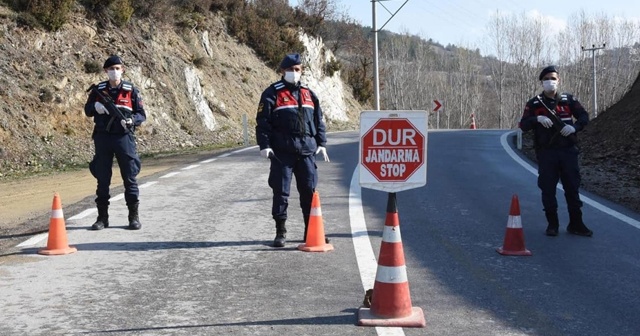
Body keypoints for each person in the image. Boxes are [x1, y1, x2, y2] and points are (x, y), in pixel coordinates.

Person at [255, 53, 330, 247]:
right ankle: (280, 231)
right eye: (290, 70)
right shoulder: (272, 93)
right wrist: (264, 145)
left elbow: (318, 120)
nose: (294, 73)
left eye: (297, 70)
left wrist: (322, 143)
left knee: (309, 191)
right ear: (282, 71)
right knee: (281, 192)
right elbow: (263, 122)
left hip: (307, 151)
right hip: (282, 153)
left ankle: (311, 231)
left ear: (302, 71)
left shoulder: (309, 93)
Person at [519, 65, 593, 237]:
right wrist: (537, 118)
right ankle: (552, 224)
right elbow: (523, 125)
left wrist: (574, 128)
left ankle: (576, 223)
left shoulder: (569, 100)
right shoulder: (534, 103)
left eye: (553, 78)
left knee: (572, 188)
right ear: (541, 82)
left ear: (558, 80)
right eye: (546, 79)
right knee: (548, 189)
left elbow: (584, 116)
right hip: (547, 153)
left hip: (568, 151)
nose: (550, 82)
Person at [84, 55, 146, 230]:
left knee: (130, 177)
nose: (114, 72)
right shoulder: (99, 90)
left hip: (124, 137)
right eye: (111, 69)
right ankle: (102, 218)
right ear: (106, 71)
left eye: (117, 68)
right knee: (103, 178)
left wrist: (132, 121)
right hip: (103, 137)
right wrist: (95, 107)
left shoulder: (130, 90)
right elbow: (87, 110)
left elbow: (142, 114)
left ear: (122, 70)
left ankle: (133, 217)